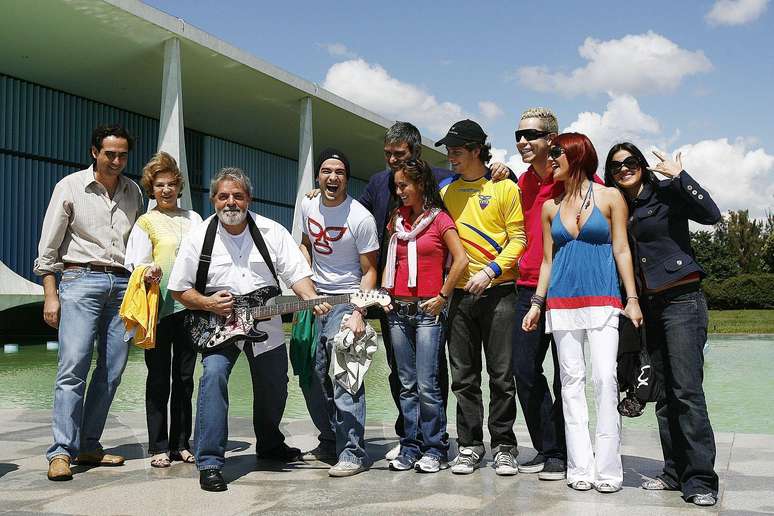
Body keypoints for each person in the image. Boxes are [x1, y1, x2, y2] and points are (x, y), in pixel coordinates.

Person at [168, 167, 330, 492]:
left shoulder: (272, 232)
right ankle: (211, 462)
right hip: (218, 326)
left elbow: (296, 273)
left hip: (265, 325)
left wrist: (311, 298)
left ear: (248, 199)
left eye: (237, 196)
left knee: (275, 386)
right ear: (214, 199)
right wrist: (208, 303)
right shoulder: (199, 236)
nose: (231, 202)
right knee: (213, 378)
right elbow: (179, 290)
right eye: (224, 196)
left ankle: (270, 444)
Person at [522, 133, 642, 493]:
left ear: (575, 155)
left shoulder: (610, 197)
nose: (550, 159)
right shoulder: (549, 207)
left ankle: (608, 471)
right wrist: (536, 304)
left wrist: (631, 298)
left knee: (605, 379)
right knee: (571, 385)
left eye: (556, 153)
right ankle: (580, 467)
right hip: (560, 304)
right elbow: (547, 261)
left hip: (603, 300)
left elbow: (621, 249)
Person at [604, 142, 720, 506]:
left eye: (631, 162)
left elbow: (711, 214)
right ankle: (674, 472)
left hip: (682, 300)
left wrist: (680, 177)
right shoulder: (621, 207)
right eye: (616, 166)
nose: (624, 169)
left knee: (687, 391)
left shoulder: (668, 194)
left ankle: (700, 478)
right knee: (664, 394)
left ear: (642, 164)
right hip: (647, 307)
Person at [35, 124, 144, 481]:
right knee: (74, 367)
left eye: (123, 155)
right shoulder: (69, 187)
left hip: (123, 286)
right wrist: (51, 294)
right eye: (110, 154)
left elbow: (139, 245)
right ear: (94, 152)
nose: (116, 161)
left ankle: (88, 444)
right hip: (79, 279)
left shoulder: (134, 193)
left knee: (112, 370)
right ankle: (61, 452)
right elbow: (49, 248)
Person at [436, 119, 527, 476]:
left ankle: (504, 446)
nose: (451, 157)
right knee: (464, 376)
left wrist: (490, 271)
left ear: (477, 150)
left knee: (502, 375)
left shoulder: (504, 187)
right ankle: (470, 446)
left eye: (457, 151)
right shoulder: (446, 192)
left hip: (501, 292)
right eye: (448, 152)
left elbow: (518, 239)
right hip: (459, 296)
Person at [381, 159, 468, 473]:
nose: (399, 191)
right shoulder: (396, 219)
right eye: (396, 186)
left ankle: (435, 448)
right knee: (406, 384)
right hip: (397, 312)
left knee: (427, 384)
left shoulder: (440, 219)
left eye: (404, 185)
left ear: (420, 185)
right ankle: (410, 446)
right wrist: (385, 295)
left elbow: (460, 260)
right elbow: (388, 261)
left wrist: (443, 295)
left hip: (428, 312)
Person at [298, 148, 379, 477]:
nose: (333, 177)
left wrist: (359, 309)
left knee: (347, 377)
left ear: (347, 178)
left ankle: (353, 452)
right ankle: (330, 440)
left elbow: (370, 270)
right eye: (326, 171)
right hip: (313, 299)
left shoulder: (360, 217)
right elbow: (306, 244)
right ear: (318, 176)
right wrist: (305, 282)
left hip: (346, 299)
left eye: (340, 172)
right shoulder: (307, 204)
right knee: (313, 377)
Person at [124, 151, 203, 468]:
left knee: (185, 379)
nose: (166, 190)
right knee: (158, 378)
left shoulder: (194, 219)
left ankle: (182, 443)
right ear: (151, 188)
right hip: (158, 311)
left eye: (171, 184)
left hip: (190, 309)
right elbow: (134, 263)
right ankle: (158, 445)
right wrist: (148, 270)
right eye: (159, 185)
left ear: (179, 187)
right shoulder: (146, 222)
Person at [510, 107, 568, 480]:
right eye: (519, 134)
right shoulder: (521, 182)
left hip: (567, 289)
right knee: (524, 371)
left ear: (551, 141)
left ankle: (564, 451)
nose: (522, 141)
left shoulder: (576, 179)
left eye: (531, 135)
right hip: (527, 287)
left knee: (568, 375)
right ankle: (549, 448)